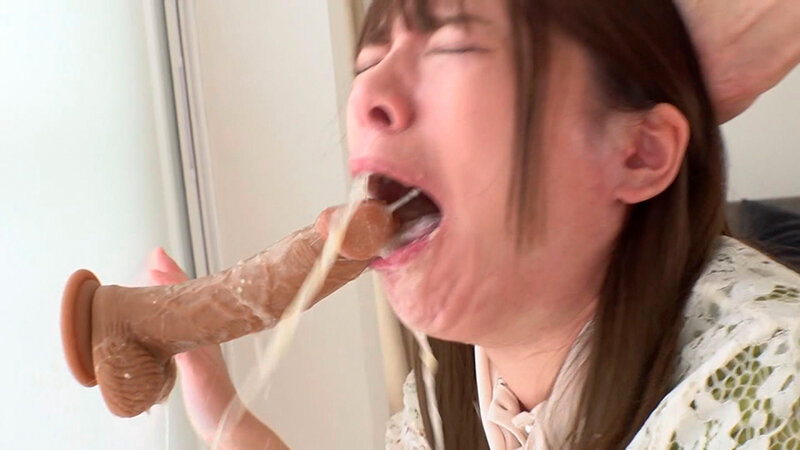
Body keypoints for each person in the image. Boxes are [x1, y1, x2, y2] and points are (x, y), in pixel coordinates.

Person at [148, 0, 800, 448]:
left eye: (453, 44)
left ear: (638, 153)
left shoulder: (774, 384)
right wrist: (233, 430)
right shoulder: (441, 405)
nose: (368, 94)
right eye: (368, 60)